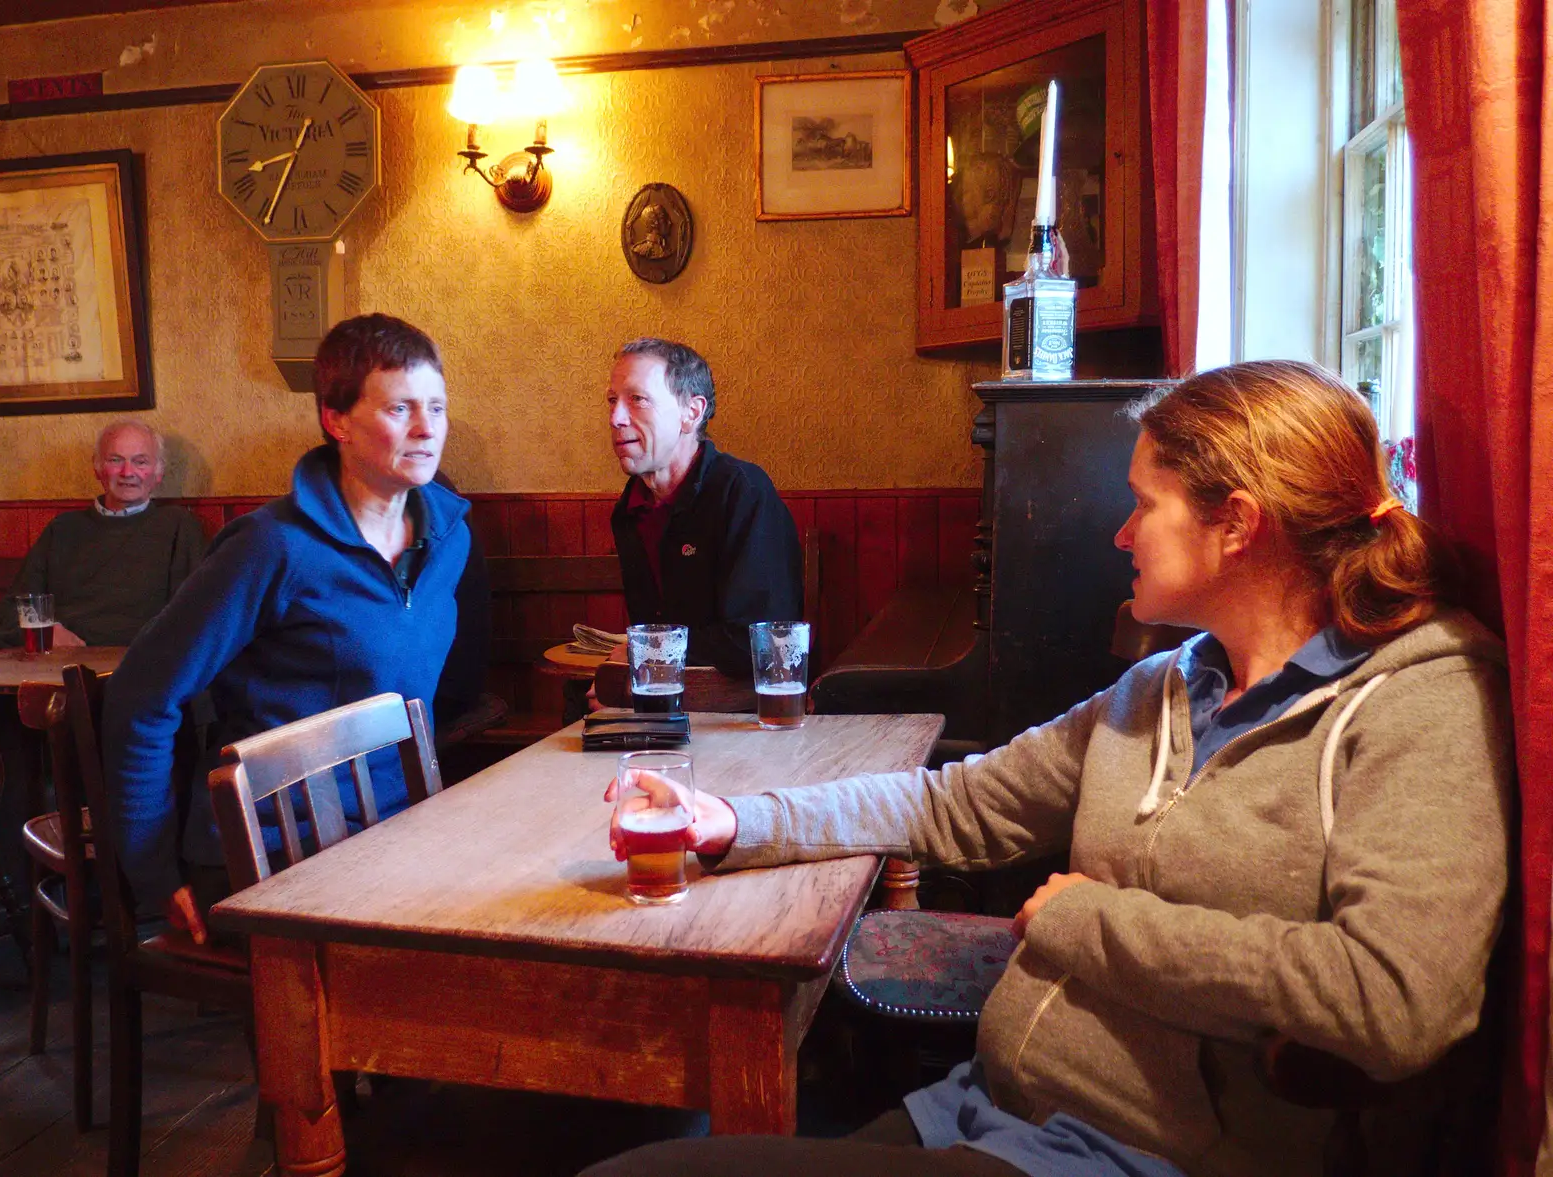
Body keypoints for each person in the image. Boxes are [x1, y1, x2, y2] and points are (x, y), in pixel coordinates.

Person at [587, 360, 1514, 1177]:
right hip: (988, 1106)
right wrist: (733, 819)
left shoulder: (1418, 699)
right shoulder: (1162, 686)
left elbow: (1393, 1000)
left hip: (1142, 1154)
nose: (1121, 533)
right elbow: (954, 803)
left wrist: (1090, 921)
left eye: (1144, 503)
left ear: (1237, 524)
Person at [102, 313, 472, 945]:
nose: (425, 429)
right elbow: (142, 694)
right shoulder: (271, 547)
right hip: (270, 853)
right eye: (400, 408)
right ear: (336, 420)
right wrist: (154, 874)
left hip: (394, 838)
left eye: (435, 407)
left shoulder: (448, 538)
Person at [607, 338, 802, 677]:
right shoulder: (630, 508)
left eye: (636, 399)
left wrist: (640, 657)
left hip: (743, 707)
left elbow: (760, 644)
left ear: (691, 413)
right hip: (666, 693)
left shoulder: (742, 491)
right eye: (612, 401)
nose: (616, 417)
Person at [0, 420, 206, 648]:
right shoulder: (63, 529)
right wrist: (49, 634)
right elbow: (9, 614)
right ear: (98, 468)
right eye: (115, 460)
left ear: (158, 473)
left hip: (137, 661)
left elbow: (194, 614)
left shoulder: (179, 527)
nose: (127, 472)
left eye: (140, 462)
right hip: (59, 661)